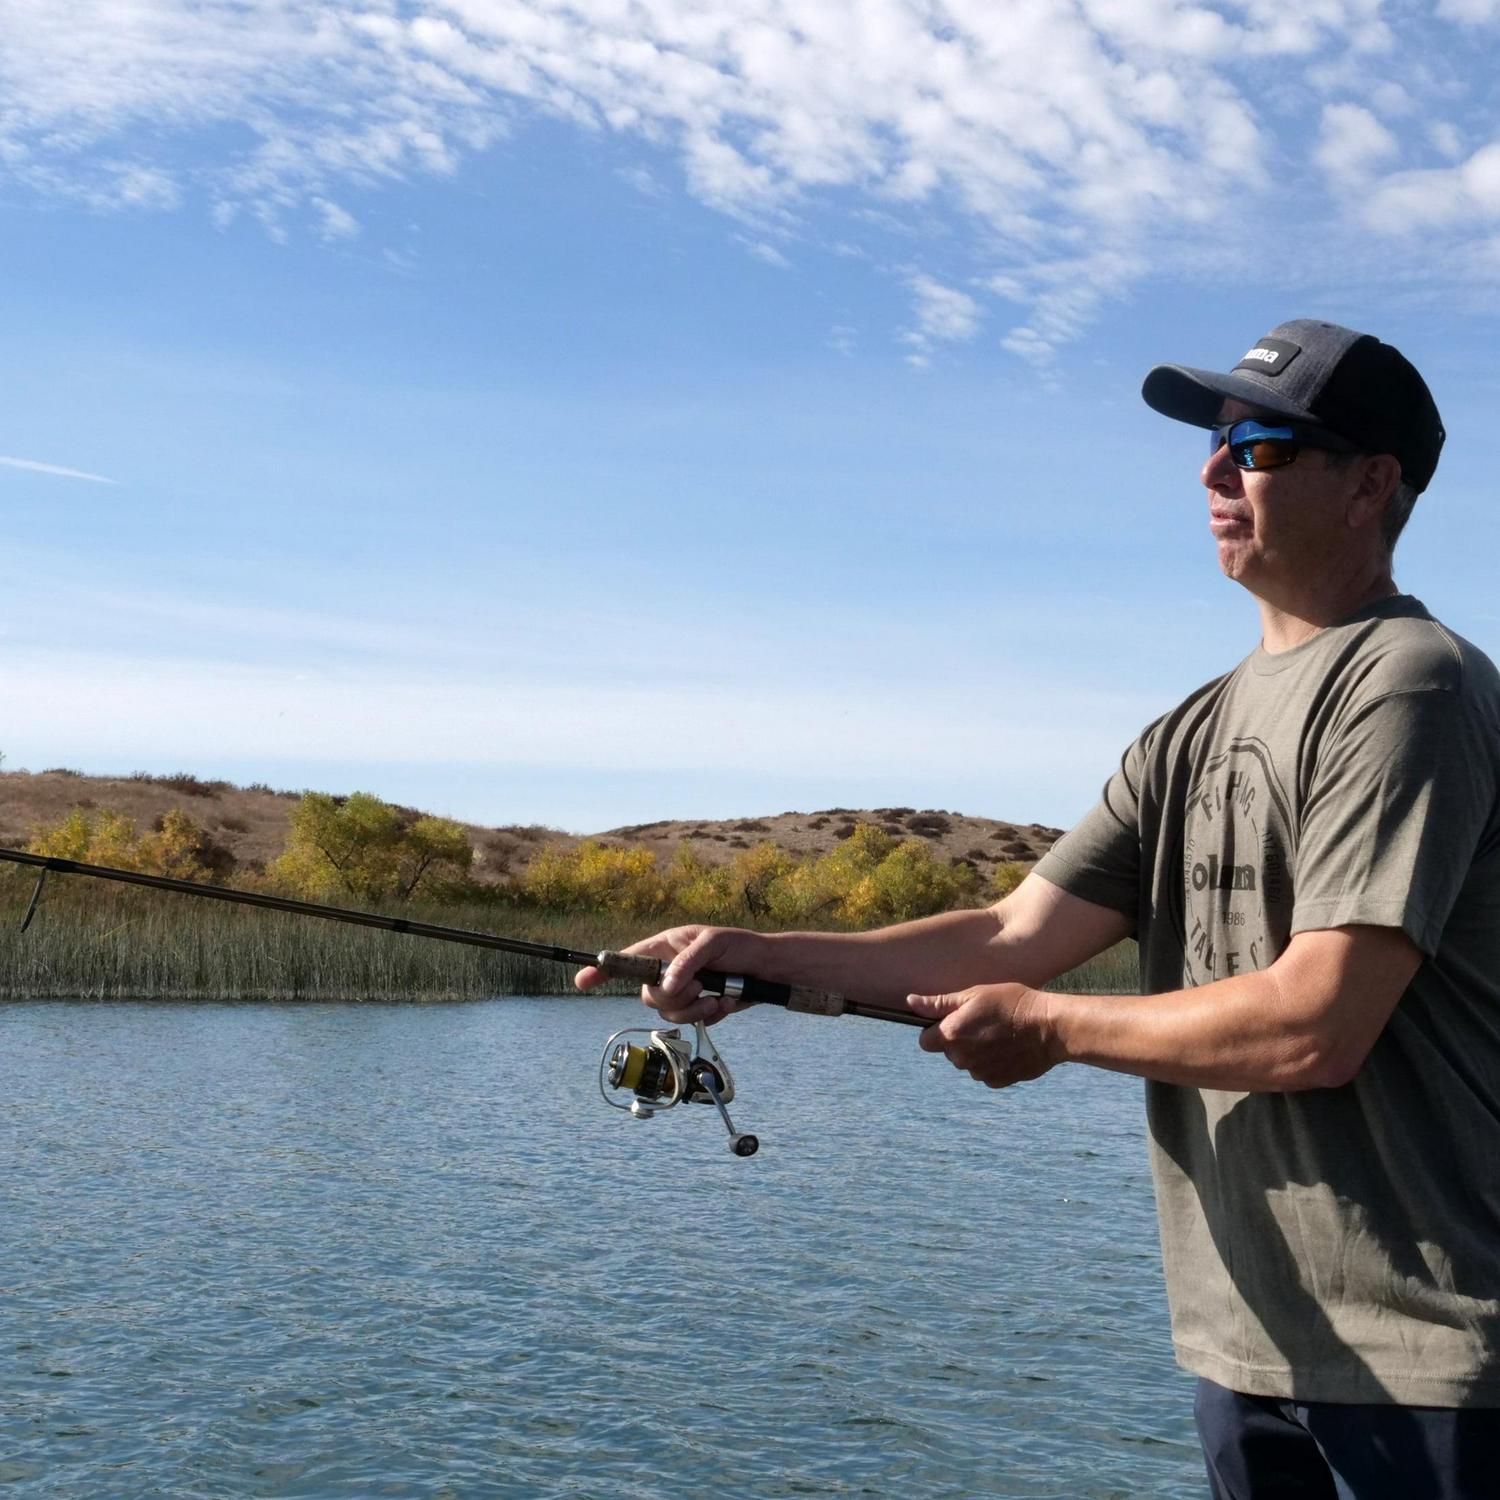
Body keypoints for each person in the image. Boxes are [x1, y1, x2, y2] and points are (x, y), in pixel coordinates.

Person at [576, 319, 1500, 1498]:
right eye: (1215, 444)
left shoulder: (1409, 683)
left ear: (1371, 485)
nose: (1214, 473)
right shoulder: (1187, 732)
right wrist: (756, 953)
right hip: (1247, 1343)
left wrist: (1054, 1028)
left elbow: (1316, 1023)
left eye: (1259, 447)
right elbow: (1012, 936)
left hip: (1428, 1361)